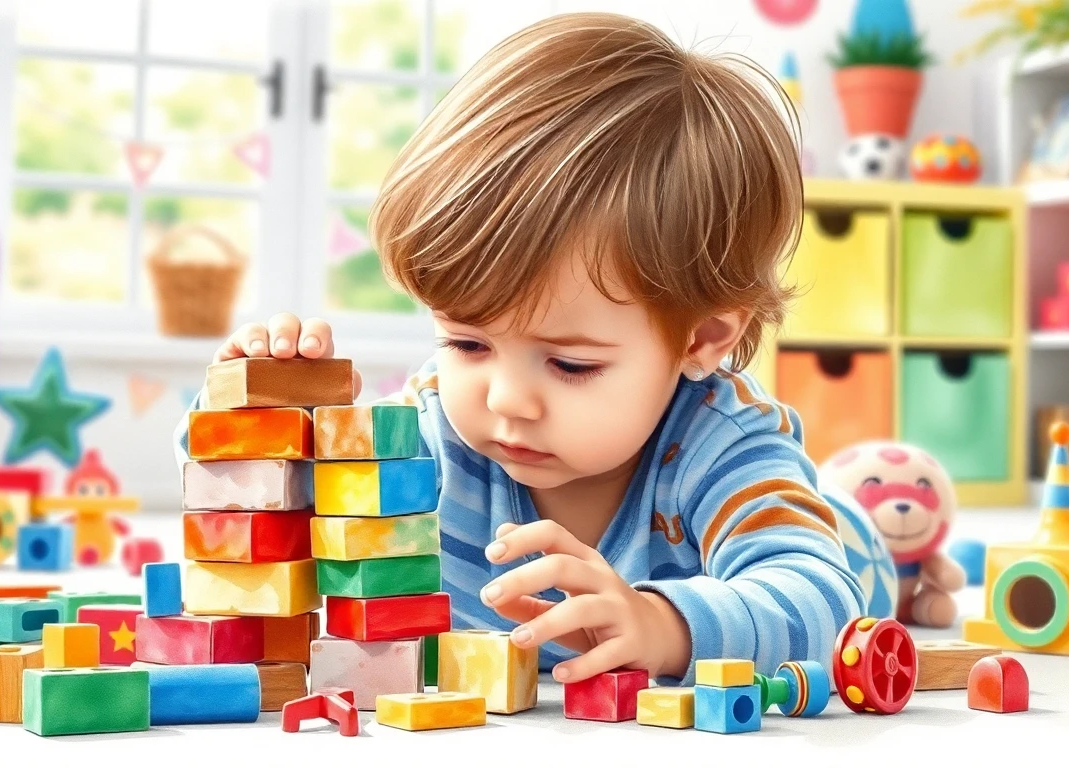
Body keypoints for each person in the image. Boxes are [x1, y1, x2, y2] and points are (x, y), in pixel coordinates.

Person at [175, 11, 878, 687]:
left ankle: (884, 509)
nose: (503, 398)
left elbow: (819, 598)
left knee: (877, 518)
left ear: (702, 339)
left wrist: (662, 625)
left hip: (851, 545)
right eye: (466, 341)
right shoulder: (426, 436)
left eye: (571, 363)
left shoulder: (722, 445)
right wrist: (251, 413)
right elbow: (255, 525)